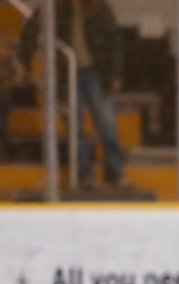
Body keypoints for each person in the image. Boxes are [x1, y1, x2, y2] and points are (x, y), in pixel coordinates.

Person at [19, 0, 126, 187]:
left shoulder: (99, 7)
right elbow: (31, 29)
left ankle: (114, 171)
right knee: (74, 127)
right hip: (66, 73)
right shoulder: (55, 6)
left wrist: (115, 73)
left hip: (97, 72)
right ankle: (84, 174)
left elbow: (113, 40)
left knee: (107, 124)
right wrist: (25, 60)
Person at [0, 34, 22, 160]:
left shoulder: (10, 65)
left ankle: (3, 155)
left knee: (3, 128)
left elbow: (15, 80)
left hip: (4, 98)